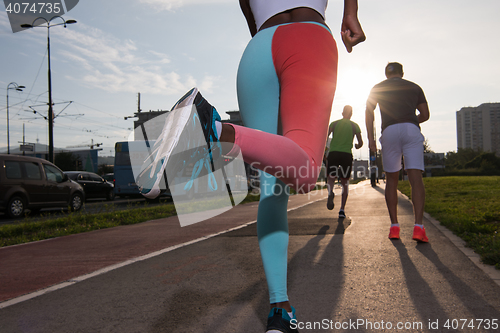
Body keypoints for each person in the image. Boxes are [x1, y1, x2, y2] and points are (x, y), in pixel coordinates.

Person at [137, 1, 364, 332]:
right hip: (308, 37)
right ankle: (213, 130)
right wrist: (351, 12)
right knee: (304, 173)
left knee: (273, 186)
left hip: (258, 51)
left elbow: (252, 17)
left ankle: (279, 309)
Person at [365, 62, 430, 243]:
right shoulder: (414, 87)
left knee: (391, 180)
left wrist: (370, 138)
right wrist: (410, 121)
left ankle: (394, 227)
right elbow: (425, 114)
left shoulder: (377, 88)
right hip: (410, 129)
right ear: (402, 73)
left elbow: (368, 112)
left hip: (390, 131)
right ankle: (418, 227)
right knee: (415, 178)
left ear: (386, 74)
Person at [326, 105, 363, 218]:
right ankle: (342, 210)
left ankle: (330, 192)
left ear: (342, 113)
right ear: (351, 114)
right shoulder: (355, 126)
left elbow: (325, 136)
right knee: (345, 183)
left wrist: (324, 150)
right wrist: (357, 145)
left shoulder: (334, 124)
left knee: (331, 176)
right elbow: (360, 142)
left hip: (333, 153)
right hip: (346, 154)